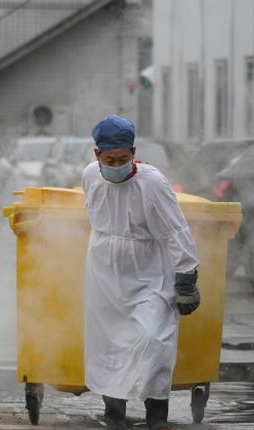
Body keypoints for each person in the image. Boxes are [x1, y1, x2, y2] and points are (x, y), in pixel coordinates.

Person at [82, 115, 201, 430]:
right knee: (108, 344)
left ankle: (157, 415)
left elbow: (176, 231)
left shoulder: (152, 183)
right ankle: (114, 414)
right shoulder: (90, 177)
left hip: (149, 273)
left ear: (133, 151)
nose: (117, 165)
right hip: (104, 274)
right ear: (97, 155)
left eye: (124, 158)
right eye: (110, 160)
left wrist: (187, 277)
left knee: (153, 339)